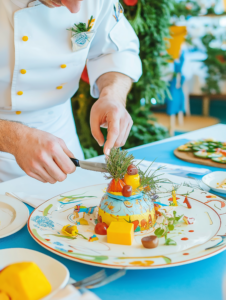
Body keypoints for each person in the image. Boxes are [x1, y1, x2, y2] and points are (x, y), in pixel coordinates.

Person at [0, 0, 142, 183]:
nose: (75, 9)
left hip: (60, 137)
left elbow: (115, 51)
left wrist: (112, 95)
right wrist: (14, 138)